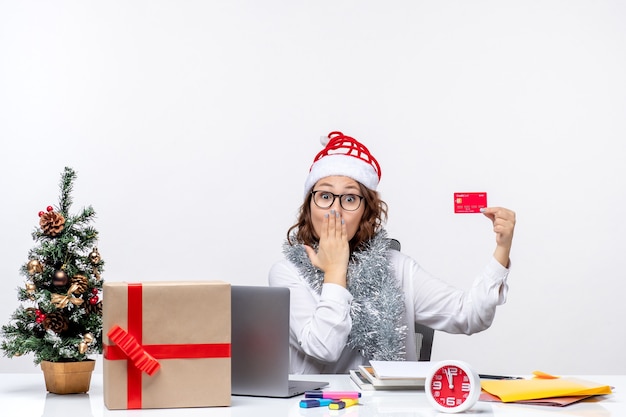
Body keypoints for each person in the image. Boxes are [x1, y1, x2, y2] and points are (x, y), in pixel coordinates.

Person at [268, 131, 516, 374]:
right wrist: (335, 271)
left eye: (350, 199)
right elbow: (324, 348)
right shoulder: (287, 274)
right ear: (309, 206)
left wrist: (502, 249)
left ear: (367, 211)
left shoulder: (397, 268)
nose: (336, 210)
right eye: (324, 196)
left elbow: (470, 315)